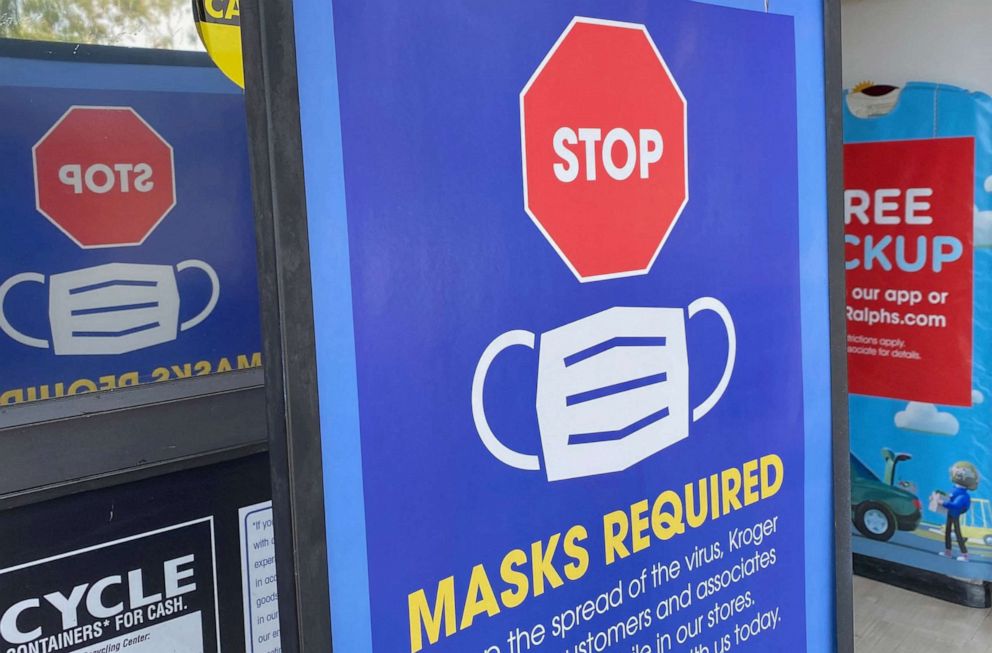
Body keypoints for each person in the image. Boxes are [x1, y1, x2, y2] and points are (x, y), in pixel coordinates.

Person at [940, 461, 980, 562]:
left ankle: (964, 554)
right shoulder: (956, 490)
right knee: (948, 532)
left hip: (955, 513)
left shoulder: (963, 495)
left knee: (957, 533)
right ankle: (948, 551)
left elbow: (956, 505)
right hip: (951, 513)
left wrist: (943, 503)